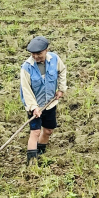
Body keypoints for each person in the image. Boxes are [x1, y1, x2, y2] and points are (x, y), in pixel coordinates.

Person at [20, 36, 67, 164]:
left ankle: (41, 150)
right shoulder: (26, 68)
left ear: (46, 50)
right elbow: (26, 90)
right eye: (33, 54)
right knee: (35, 132)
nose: (36, 56)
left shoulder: (55, 59)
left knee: (48, 130)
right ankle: (32, 162)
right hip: (35, 106)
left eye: (39, 54)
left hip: (50, 103)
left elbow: (62, 71)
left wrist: (61, 89)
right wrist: (33, 107)